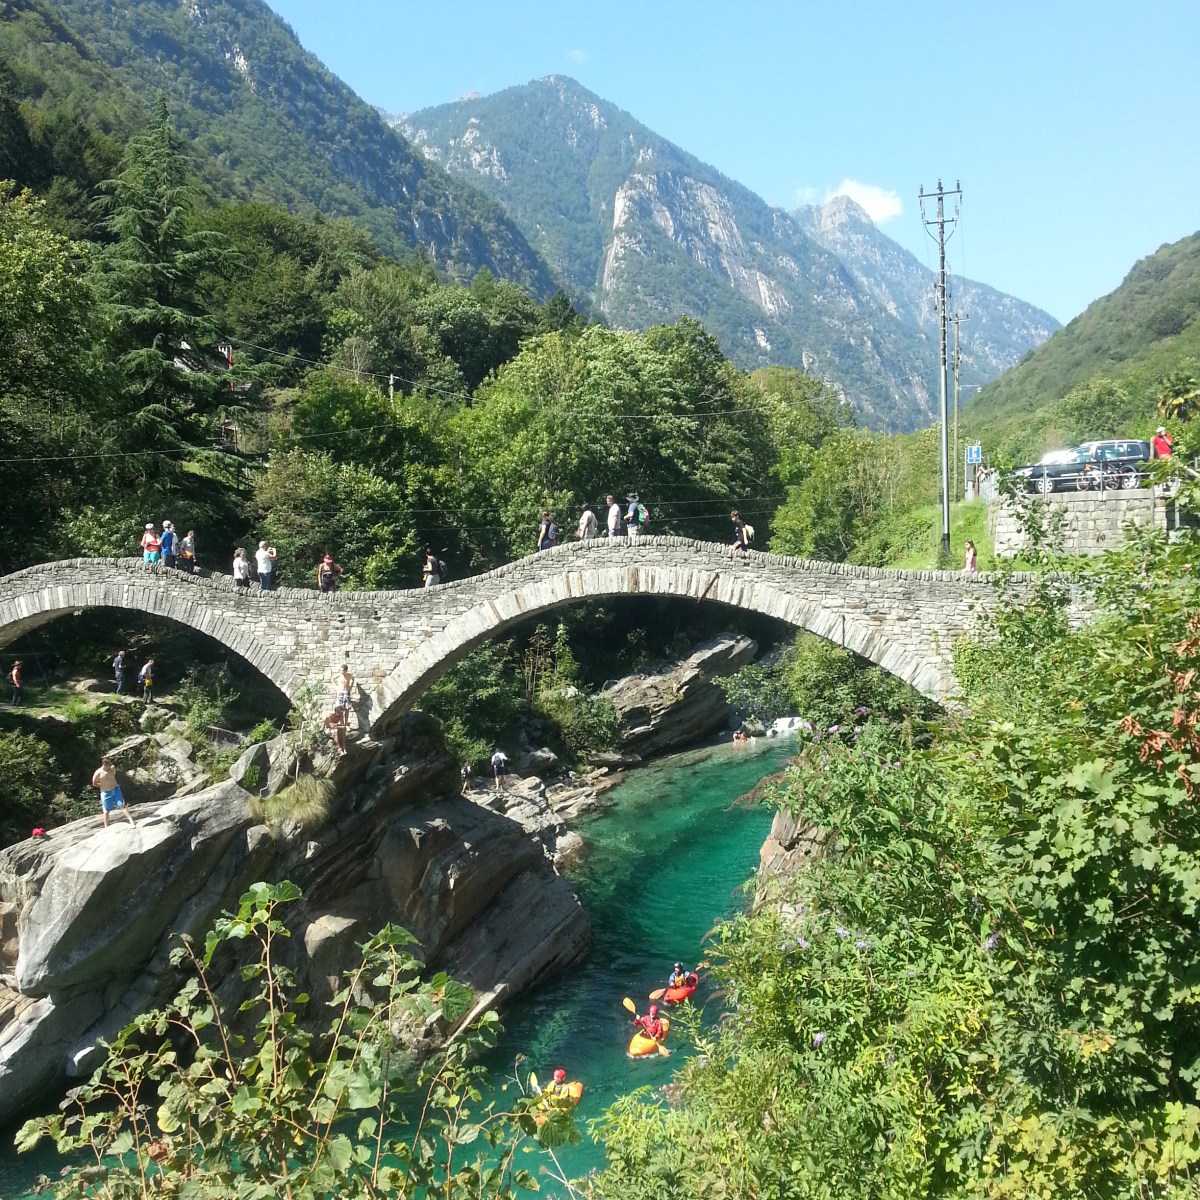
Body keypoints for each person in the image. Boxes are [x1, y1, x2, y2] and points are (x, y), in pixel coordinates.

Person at [92, 757, 135, 828]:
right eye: (109, 765)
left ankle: (131, 821)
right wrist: (103, 785)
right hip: (105, 792)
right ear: (105, 765)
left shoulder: (112, 768)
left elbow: (112, 776)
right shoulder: (98, 773)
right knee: (106, 810)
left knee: (121, 805)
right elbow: (94, 783)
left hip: (115, 789)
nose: (110, 766)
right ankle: (106, 826)